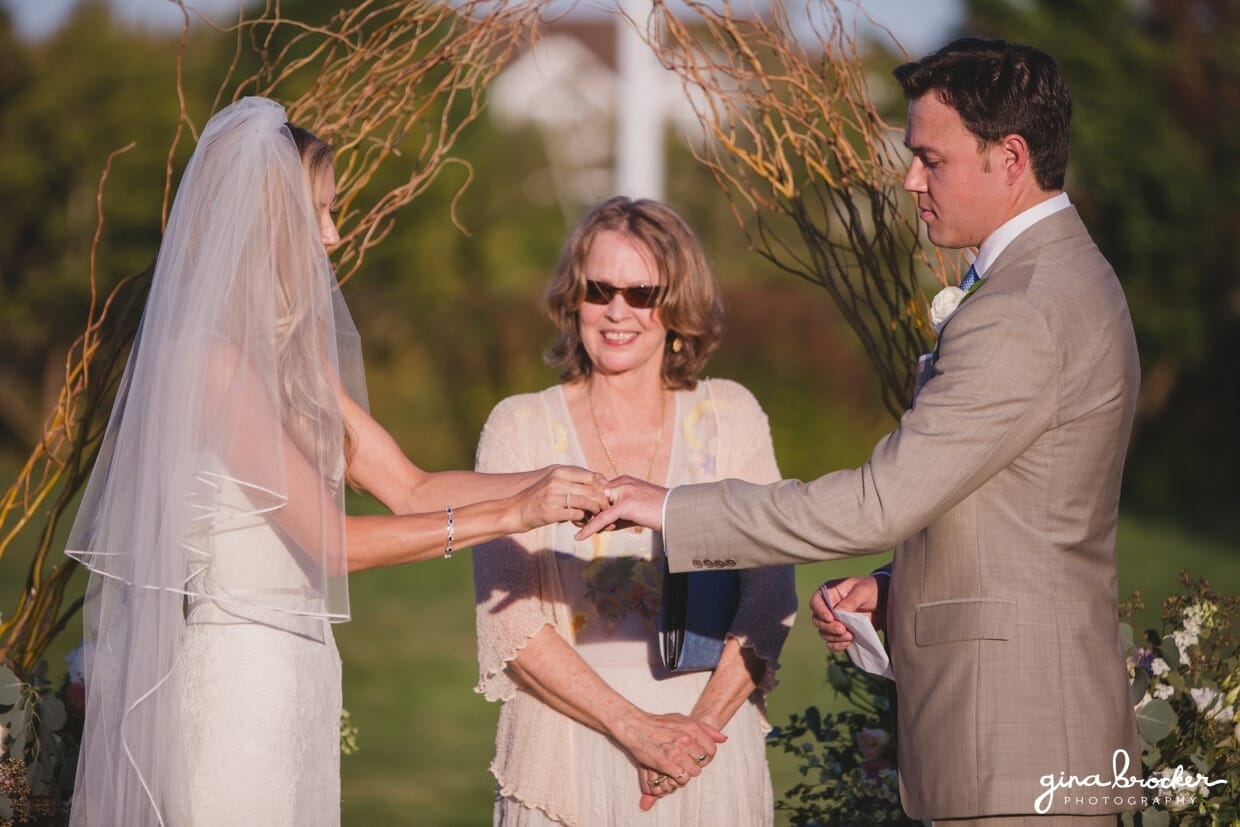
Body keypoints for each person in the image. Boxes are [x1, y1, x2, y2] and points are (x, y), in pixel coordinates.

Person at [579, 39, 1143, 825]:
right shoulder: (1063, 276)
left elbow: (878, 500)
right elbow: (1025, 504)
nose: (910, 179)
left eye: (930, 159)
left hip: (1016, 744)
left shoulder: (1024, 306)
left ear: (1010, 157)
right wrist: (896, 584)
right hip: (1032, 730)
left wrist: (674, 508)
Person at [65, 96, 607, 827]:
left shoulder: (289, 362)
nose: (335, 233)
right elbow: (331, 541)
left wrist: (558, 482)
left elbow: (410, 485)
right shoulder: (213, 361)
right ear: (267, 225)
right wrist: (512, 514)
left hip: (299, 679)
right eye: (318, 212)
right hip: (235, 691)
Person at [472, 196, 797, 825]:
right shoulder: (519, 425)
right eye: (599, 289)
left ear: (678, 306)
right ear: (574, 300)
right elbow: (508, 623)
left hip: (709, 747)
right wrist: (635, 729)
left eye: (642, 292)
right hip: (568, 745)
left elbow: (769, 593)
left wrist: (691, 736)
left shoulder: (731, 416)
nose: (617, 310)